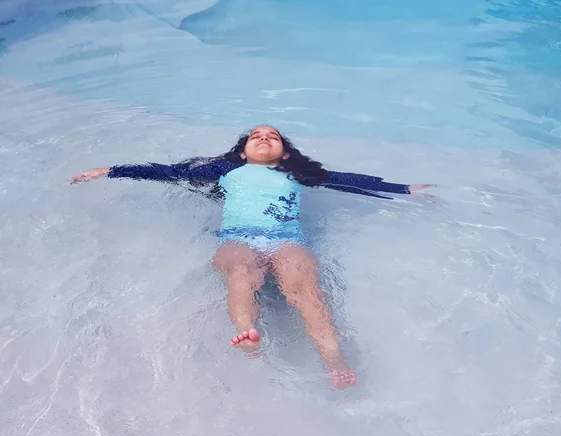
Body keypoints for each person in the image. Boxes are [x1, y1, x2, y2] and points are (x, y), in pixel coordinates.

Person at [71, 126, 435, 388]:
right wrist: (110, 170)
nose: (264, 138)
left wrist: (405, 189)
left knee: (305, 290)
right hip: (238, 238)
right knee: (241, 273)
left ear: (285, 153)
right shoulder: (226, 170)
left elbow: (349, 179)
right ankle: (247, 333)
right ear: (242, 151)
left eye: (273, 136)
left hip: (285, 239)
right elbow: (168, 173)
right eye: (255, 136)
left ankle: (333, 358)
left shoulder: (298, 174)